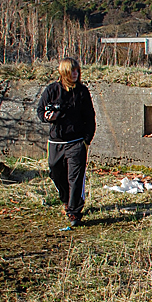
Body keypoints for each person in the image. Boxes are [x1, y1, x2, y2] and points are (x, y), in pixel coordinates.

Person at [37, 58, 96, 227]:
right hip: (56, 142)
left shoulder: (82, 92)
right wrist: (48, 117)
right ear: (64, 73)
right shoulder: (52, 90)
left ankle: (74, 211)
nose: (75, 74)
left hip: (77, 142)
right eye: (72, 71)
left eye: (77, 70)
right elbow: (40, 111)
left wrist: (87, 140)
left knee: (75, 178)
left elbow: (90, 117)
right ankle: (66, 199)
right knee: (56, 173)